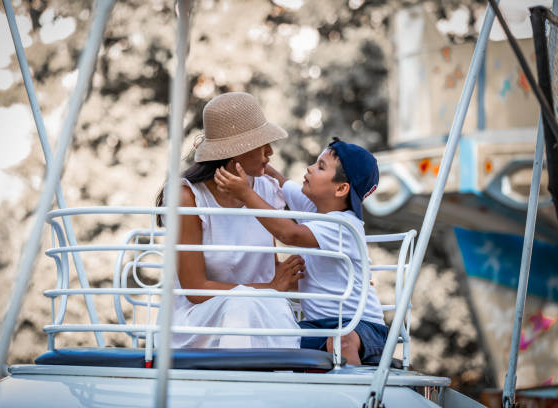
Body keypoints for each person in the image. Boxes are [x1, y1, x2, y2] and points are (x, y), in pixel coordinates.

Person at [214, 138, 387, 365]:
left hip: (361, 326)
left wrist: (246, 194)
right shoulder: (313, 207)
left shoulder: (344, 225)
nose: (309, 168)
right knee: (277, 338)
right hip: (319, 327)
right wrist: (244, 155)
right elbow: (277, 179)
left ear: (341, 188)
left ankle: (351, 392)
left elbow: (290, 234)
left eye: (320, 167)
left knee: (341, 341)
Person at [155, 92, 305, 349]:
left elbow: (268, 266)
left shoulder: (267, 188)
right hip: (197, 321)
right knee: (244, 303)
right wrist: (268, 288)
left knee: (273, 307)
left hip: (258, 308)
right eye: (261, 144)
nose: (270, 152)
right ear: (236, 152)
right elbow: (195, 289)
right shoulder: (188, 197)